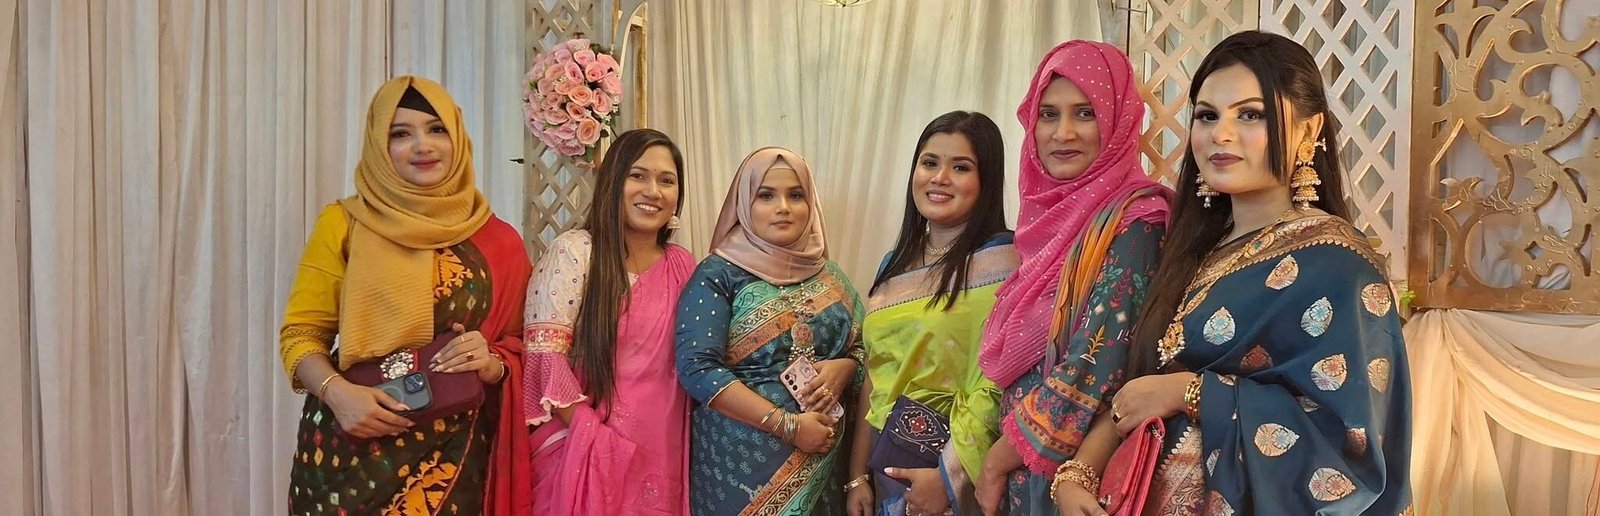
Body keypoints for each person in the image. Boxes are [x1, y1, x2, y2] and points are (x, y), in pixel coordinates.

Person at [1053, 30, 1412, 515]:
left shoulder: (1338, 267)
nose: (1220, 134)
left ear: (1308, 131)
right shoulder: (1190, 251)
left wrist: (1192, 393)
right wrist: (1077, 474)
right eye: (1207, 115)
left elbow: (1350, 449)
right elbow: (1141, 386)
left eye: (1250, 114)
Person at [279, 76, 532, 515]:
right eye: (400, 133)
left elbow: (526, 347)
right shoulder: (344, 224)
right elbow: (301, 335)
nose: (422, 145)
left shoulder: (499, 241)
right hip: (350, 448)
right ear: (380, 144)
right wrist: (338, 394)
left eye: (437, 129)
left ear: (458, 138)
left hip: (454, 456)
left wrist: (492, 362)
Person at [971, 40, 1174, 515]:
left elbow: (1096, 363)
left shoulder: (1137, 221)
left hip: (1079, 472)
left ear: (1117, 120)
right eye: (1048, 115)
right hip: (1022, 466)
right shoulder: (1043, 226)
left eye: (1085, 113)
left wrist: (996, 462)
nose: (1063, 133)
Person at [842, 111, 1019, 516]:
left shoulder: (1004, 263)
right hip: (887, 460)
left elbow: (998, 382)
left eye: (960, 167)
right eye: (930, 163)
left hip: (958, 467)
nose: (940, 178)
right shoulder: (894, 263)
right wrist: (856, 476)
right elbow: (876, 372)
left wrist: (947, 476)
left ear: (987, 180)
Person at [675, 147, 864, 515]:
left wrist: (847, 368)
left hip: (823, 468)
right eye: (766, 196)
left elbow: (866, 350)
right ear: (744, 203)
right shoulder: (718, 274)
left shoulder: (832, 276)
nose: (783, 208)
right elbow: (697, 369)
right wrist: (789, 427)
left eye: (796, 195)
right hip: (738, 470)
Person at [522, 129, 694, 514]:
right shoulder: (576, 252)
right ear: (612, 182)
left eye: (667, 181)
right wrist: (595, 438)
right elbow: (544, 358)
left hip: (663, 455)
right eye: (638, 175)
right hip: (583, 451)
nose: (653, 191)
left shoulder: (682, 265)